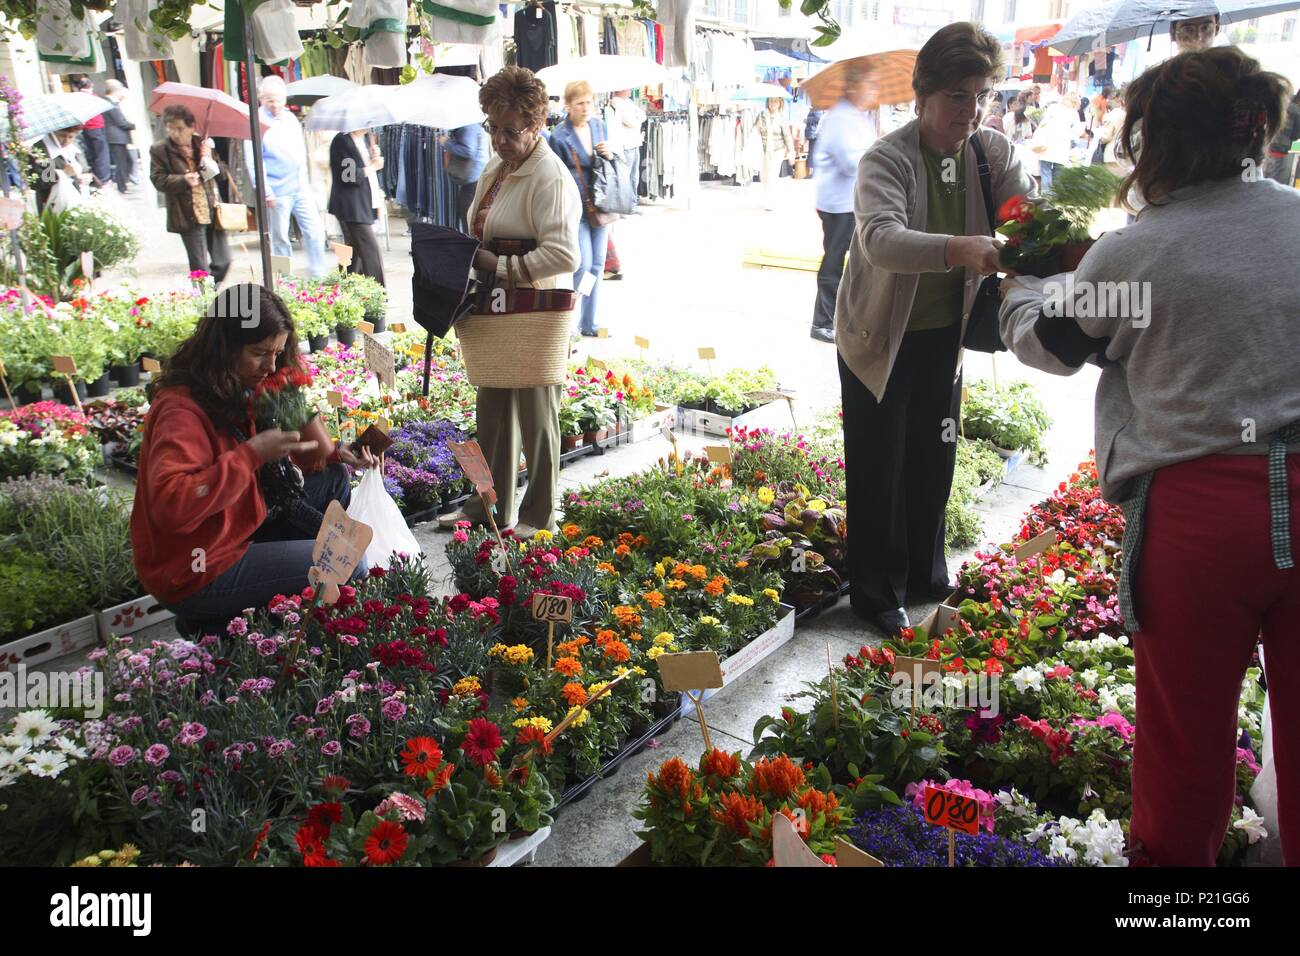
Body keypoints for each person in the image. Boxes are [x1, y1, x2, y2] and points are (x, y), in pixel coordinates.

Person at [998, 47, 1300, 867]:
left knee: (1184, 753)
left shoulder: (1141, 249)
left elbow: (1056, 346)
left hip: (1201, 520)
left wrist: (1020, 287)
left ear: (1151, 142)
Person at [834, 21, 1034, 638]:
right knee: (879, 465)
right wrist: (962, 248)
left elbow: (1025, 211)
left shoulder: (987, 153)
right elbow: (881, 239)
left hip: (944, 339)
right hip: (878, 341)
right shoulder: (887, 160)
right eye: (957, 97)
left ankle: (924, 573)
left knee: (933, 457)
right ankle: (875, 593)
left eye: (981, 96)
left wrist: (1035, 225)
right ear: (922, 94)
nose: (971, 111)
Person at [131, 284, 377, 625]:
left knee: (333, 480)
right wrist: (249, 456)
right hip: (197, 566)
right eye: (261, 352)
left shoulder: (236, 385)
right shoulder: (181, 410)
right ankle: (226, 622)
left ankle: (274, 605)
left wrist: (336, 451)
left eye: (277, 352)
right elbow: (172, 505)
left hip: (235, 525)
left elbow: (307, 456)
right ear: (225, 348)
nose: (271, 365)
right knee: (349, 563)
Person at [437, 67, 581, 537]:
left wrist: (495, 265)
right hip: (498, 308)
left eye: (511, 129)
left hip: (535, 313)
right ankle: (488, 507)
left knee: (538, 417)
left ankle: (540, 517)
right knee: (492, 413)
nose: (499, 138)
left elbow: (563, 255)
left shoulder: (549, 177)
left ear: (537, 124)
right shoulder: (499, 167)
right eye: (492, 127)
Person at [809, 65, 879, 344]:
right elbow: (852, 162)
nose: (873, 91)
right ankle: (822, 321)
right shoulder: (840, 117)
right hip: (839, 203)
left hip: (853, 202)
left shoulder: (857, 117)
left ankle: (843, 317)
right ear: (853, 86)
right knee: (834, 262)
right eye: (869, 84)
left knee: (858, 262)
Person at [243, 75, 329, 277]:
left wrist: (306, 182)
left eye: (278, 99)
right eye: (269, 100)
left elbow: (300, 153)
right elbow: (253, 161)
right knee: (279, 237)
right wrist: (266, 191)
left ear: (285, 99)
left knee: (315, 230)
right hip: (276, 189)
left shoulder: (290, 119)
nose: (274, 104)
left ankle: (318, 275)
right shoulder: (255, 121)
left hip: (300, 186)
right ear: (261, 99)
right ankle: (283, 278)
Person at [550, 79, 614, 337]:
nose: (586, 108)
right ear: (568, 105)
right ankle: (568, 317)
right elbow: (555, 175)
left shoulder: (599, 126)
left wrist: (610, 153)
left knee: (598, 266)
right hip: (575, 207)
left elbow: (609, 165)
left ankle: (588, 322)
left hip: (600, 204)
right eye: (580, 104)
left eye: (589, 102)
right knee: (583, 264)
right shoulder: (558, 135)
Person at [150, 105, 232, 283]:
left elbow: (224, 172)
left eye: (179, 128)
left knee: (223, 261)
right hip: (187, 214)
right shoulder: (160, 150)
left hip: (211, 209)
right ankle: (204, 304)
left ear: (191, 127)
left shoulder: (202, 144)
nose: (175, 133)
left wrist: (209, 160)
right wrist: (183, 180)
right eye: (170, 128)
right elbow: (158, 180)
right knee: (199, 268)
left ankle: (211, 291)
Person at [328, 127, 386, 284]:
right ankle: (379, 293)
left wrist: (374, 159)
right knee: (369, 250)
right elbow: (348, 176)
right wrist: (373, 166)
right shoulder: (342, 140)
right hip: (351, 205)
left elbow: (368, 174)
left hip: (363, 202)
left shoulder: (363, 140)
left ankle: (342, 284)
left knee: (354, 250)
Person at [442, 121, 490, 232]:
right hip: (474, 176)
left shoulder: (468, 127)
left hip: (473, 178)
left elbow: (468, 151)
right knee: (469, 214)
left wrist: (446, 142)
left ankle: (469, 244)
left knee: (467, 215)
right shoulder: (471, 126)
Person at [30, 126, 91, 212]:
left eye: (71, 137)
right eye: (62, 136)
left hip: (78, 198)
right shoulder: (42, 150)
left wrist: (87, 177)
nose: (66, 141)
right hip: (54, 203)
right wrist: (63, 173)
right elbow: (38, 181)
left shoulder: (73, 146)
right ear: (53, 133)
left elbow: (83, 168)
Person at [1030, 92, 1083, 191]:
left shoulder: (1052, 107)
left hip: (1046, 144)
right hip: (1062, 147)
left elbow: (1043, 123)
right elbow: (1077, 131)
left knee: (1045, 173)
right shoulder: (1073, 113)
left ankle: (1046, 198)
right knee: (1058, 174)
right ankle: (1055, 199)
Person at [70, 75, 112, 187]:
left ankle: (97, 176)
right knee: (101, 154)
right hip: (96, 127)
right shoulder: (91, 96)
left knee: (92, 153)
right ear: (90, 85)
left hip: (87, 128)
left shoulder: (76, 97)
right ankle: (103, 178)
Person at [755, 97, 794, 211]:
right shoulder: (761, 115)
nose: (773, 104)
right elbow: (755, 131)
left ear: (780, 103)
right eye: (771, 101)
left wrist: (791, 151)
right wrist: (758, 127)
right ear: (767, 102)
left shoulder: (782, 118)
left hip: (777, 151)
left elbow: (787, 136)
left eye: (775, 101)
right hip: (763, 150)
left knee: (772, 176)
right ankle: (768, 196)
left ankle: (770, 201)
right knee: (764, 176)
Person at [101, 79, 136, 194]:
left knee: (126, 161)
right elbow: (120, 122)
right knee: (121, 162)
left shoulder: (110, 102)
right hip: (116, 137)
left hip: (116, 137)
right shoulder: (110, 104)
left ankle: (124, 183)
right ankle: (122, 185)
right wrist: (134, 125)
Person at [1265, 91, 1300, 185]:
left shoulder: (1281, 104)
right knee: (1274, 177)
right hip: (1281, 147)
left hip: (1267, 143)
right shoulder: (1297, 111)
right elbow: (1297, 133)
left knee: (1264, 173)